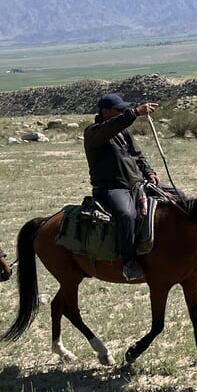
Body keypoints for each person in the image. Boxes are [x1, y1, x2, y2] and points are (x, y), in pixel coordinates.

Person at [84, 93, 158, 282]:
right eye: (119, 110)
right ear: (106, 112)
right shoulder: (94, 132)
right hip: (111, 188)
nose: (123, 112)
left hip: (136, 184)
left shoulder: (122, 132)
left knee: (176, 196)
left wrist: (149, 172)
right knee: (127, 215)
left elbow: (136, 154)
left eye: (124, 109)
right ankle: (129, 262)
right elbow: (110, 127)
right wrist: (134, 113)